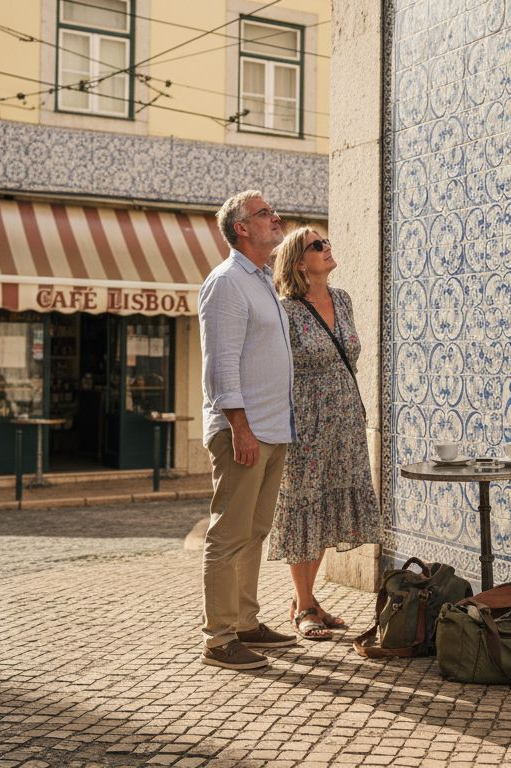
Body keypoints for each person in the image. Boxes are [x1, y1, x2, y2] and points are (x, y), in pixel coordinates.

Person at [198, 190, 299, 670]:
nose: (275, 218)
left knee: (255, 531)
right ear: (241, 228)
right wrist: (239, 426)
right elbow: (220, 365)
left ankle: (245, 621)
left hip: (272, 429)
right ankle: (219, 638)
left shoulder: (263, 281)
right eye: (264, 214)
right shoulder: (227, 282)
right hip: (244, 430)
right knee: (229, 534)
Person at [270, 227, 382, 640]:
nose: (327, 247)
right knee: (305, 506)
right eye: (317, 245)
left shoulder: (343, 300)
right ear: (299, 261)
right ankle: (303, 605)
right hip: (306, 422)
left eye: (327, 241)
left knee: (327, 507)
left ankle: (309, 600)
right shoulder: (286, 310)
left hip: (346, 419)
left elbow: (348, 355)